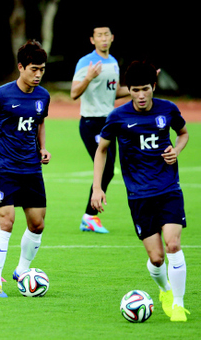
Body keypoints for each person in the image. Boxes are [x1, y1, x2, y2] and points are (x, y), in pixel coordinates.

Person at [91, 60, 190, 322]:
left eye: (145, 88)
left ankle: (178, 305)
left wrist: (176, 151)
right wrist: (97, 188)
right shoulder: (118, 116)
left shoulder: (168, 110)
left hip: (169, 189)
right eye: (135, 90)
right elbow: (102, 150)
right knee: (157, 259)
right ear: (129, 90)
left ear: (154, 86)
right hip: (138, 195)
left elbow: (183, 133)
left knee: (173, 244)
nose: (141, 95)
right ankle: (165, 291)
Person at [0, 40, 51, 298]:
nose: (38, 74)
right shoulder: (0, 95)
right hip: (4, 169)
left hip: (32, 170)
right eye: (34, 69)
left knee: (37, 225)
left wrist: (43, 148)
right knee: (6, 221)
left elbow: (39, 124)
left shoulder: (43, 96)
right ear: (21, 67)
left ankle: (21, 271)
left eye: (42, 70)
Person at [71, 24, 130, 234]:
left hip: (108, 122)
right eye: (99, 35)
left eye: (106, 35)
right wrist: (88, 77)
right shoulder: (86, 62)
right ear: (92, 39)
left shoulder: (113, 62)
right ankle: (89, 216)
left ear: (112, 37)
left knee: (109, 169)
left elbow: (112, 93)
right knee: (106, 167)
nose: (103, 38)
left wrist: (139, 88)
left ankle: (90, 216)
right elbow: (73, 93)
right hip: (90, 123)